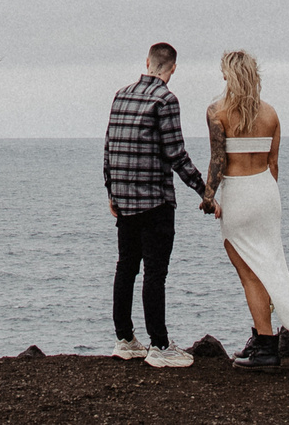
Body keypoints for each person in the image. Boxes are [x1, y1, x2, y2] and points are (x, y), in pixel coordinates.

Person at [205, 49, 289, 371]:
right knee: (270, 265)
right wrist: (264, 196)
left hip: (239, 195)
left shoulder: (217, 111)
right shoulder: (271, 114)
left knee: (250, 274)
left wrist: (209, 198)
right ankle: (263, 341)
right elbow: (273, 165)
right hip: (267, 195)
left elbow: (218, 160)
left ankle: (266, 347)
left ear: (228, 76)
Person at [104, 42, 215, 367]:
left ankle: (124, 340)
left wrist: (111, 191)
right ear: (173, 68)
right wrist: (205, 192)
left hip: (124, 200)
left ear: (148, 62)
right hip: (155, 201)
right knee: (155, 273)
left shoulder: (121, 94)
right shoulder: (165, 99)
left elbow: (108, 147)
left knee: (126, 267)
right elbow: (176, 155)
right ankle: (160, 346)